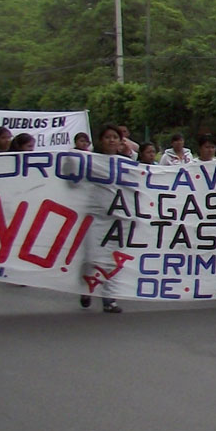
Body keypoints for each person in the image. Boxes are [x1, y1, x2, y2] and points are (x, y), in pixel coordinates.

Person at [80, 123, 126, 314]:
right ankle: (85, 288)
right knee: (91, 258)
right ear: (101, 141)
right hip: (95, 218)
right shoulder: (90, 161)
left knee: (114, 260)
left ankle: (110, 299)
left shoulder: (126, 163)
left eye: (115, 137)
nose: (111, 140)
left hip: (118, 219)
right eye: (107, 137)